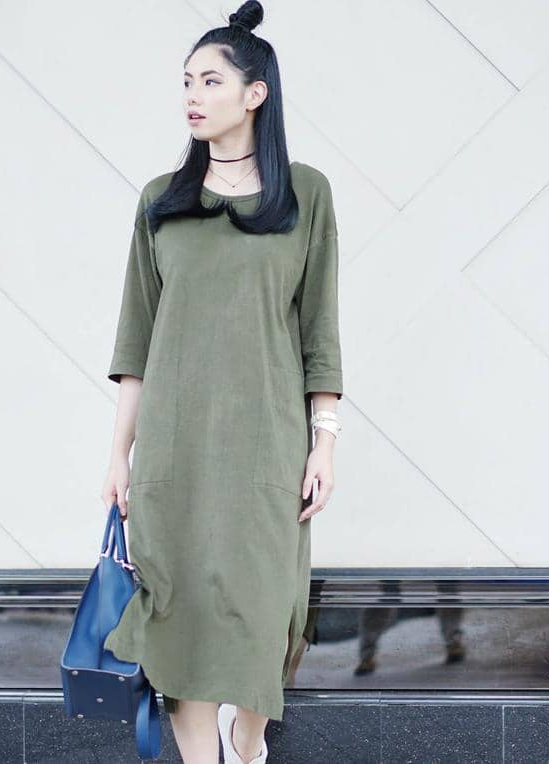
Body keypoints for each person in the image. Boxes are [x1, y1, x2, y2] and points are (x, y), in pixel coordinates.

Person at [100, 2, 343, 761]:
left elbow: (319, 328)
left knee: (265, 613)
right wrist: (118, 455)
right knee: (182, 628)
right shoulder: (161, 202)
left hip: (267, 448)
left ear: (255, 93)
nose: (192, 96)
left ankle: (249, 731)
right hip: (174, 454)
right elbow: (136, 341)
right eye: (186, 82)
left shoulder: (304, 194)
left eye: (210, 81)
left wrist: (325, 441)